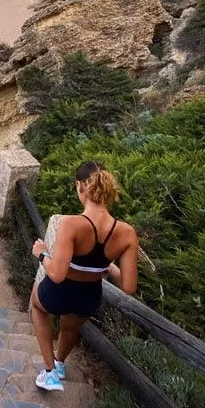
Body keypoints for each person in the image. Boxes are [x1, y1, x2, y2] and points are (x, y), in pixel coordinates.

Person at [30, 160, 139, 391]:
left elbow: (57, 275)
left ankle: (49, 373)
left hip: (60, 292)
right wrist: (108, 266)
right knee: (70, 326)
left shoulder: (72, 224)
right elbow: (129, 287)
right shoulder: (127, 233)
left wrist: (42, 254)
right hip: (89, 297)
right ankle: (60, 363)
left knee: (37, 306)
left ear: (80, 186)